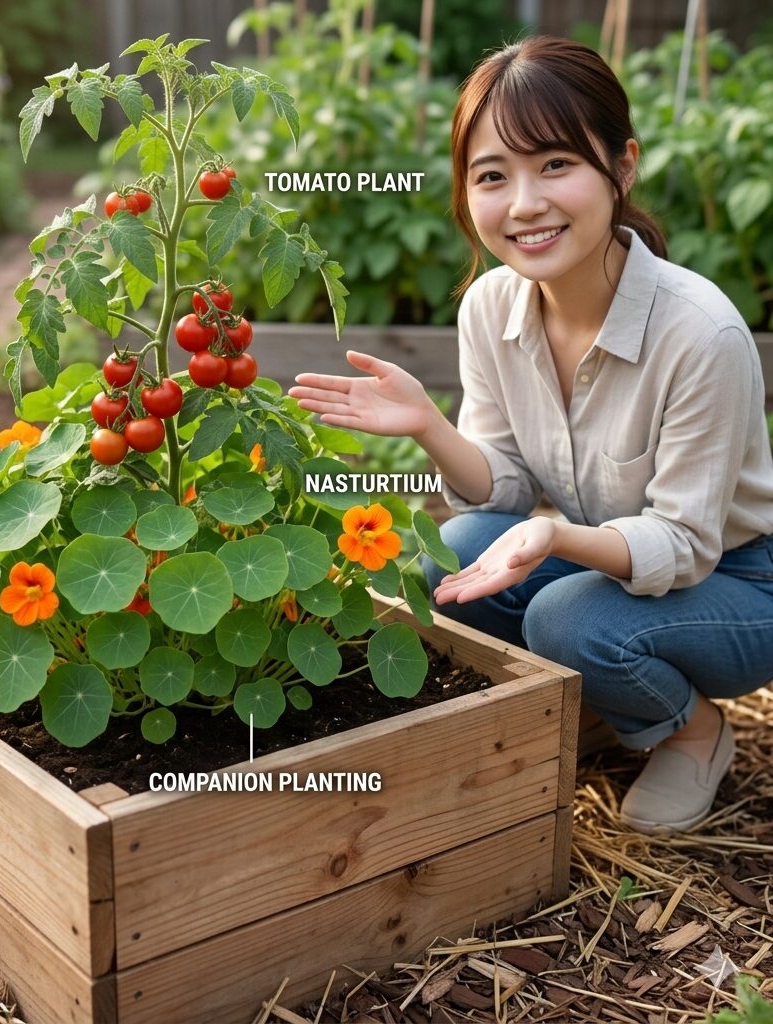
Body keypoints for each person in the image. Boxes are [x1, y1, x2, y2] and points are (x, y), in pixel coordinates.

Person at [288, 36, 773, 835]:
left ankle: (692, 729)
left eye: (555, 165)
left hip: (740, 585)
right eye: (491, 176)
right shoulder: (490, 307)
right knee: (455, 556)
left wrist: (556, 537)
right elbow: (505, 486)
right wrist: (429, 426)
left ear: (622, 167)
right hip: (609, 558)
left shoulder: (700, 333)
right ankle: (593, 706)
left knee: (565, 617)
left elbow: (686, 543)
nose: (523, 204)